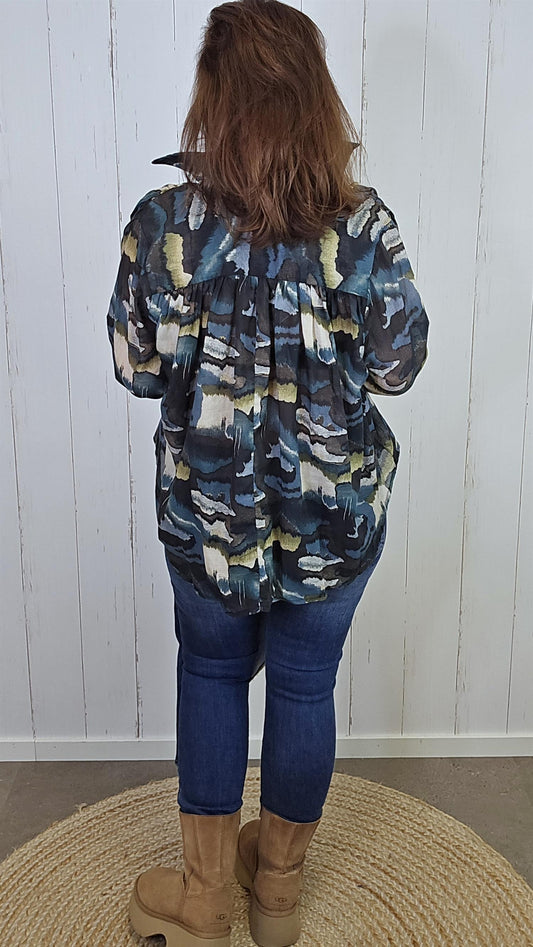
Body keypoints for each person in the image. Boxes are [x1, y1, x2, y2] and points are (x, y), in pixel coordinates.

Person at [106, 1, 429, 944]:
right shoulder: (362, 225)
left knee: (209, 672)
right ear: (314, 99)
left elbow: (135, 369)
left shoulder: (162, 222)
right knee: (303, 686)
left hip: (207, 517)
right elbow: (398, 368)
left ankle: (205, 894)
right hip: (334, 518)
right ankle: (276, 891)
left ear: (213, 98)